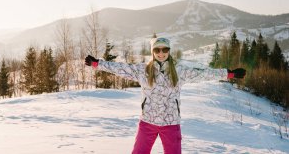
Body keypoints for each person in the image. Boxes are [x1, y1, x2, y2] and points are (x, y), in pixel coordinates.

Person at [85, 36, 246, 154]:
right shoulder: (143, 70)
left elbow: (205, 73)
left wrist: (229, 74)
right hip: (148, 122)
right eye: (157, 50)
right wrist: (97, 64)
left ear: (169, 51)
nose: (161, 53)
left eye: (165, 49)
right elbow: (120, 68)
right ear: (153, 52)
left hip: (171, 124)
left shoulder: (180, 71)